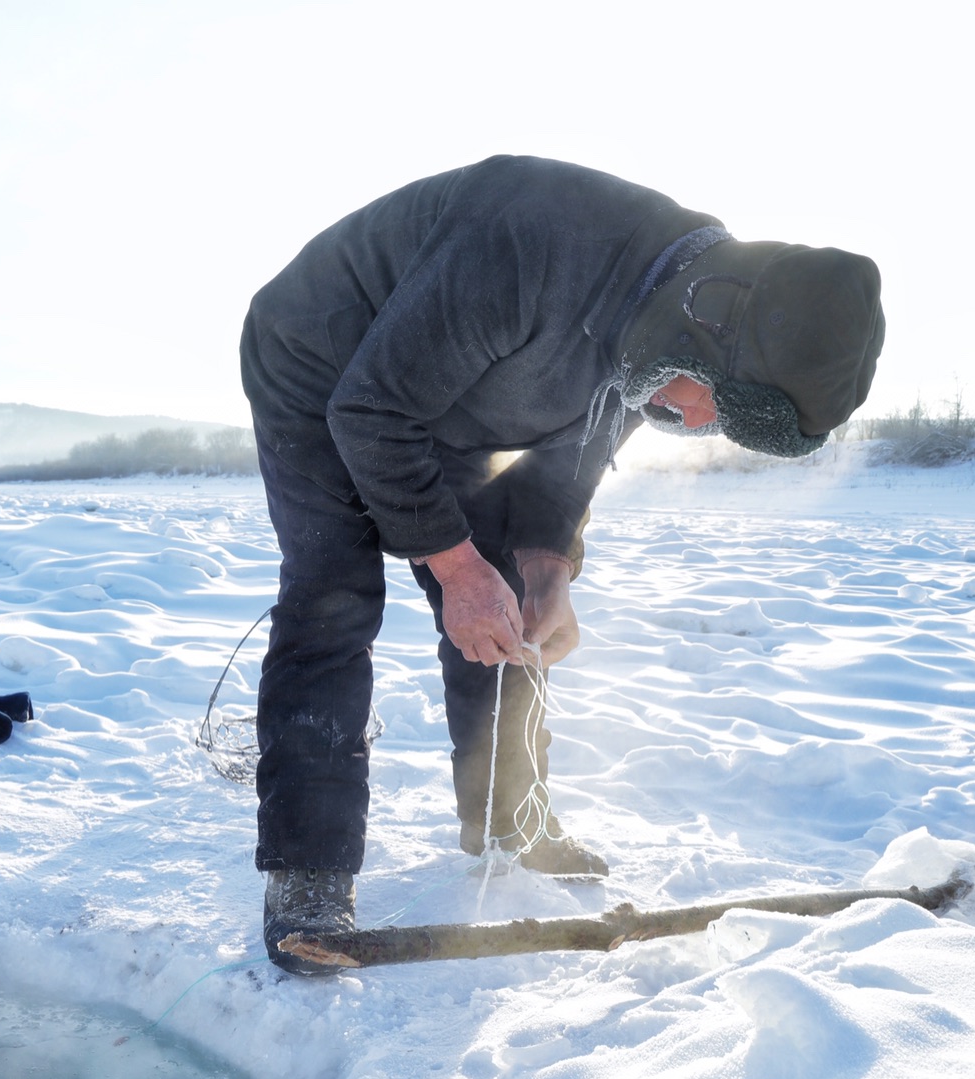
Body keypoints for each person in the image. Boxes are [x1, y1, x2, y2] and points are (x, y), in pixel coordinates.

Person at [240, 155, 885, 972]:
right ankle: (309, 869)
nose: (694, 420)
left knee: (509, 595)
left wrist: (547, 562)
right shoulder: (530, 242)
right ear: (707, 319)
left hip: (447, 403)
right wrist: (456, 568)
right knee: (335, 595)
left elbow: (570, 455)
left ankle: (510, 816)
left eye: (718, 420)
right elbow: (370, 408)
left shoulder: (671, 332)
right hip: (322, 362)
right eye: (710, 400)